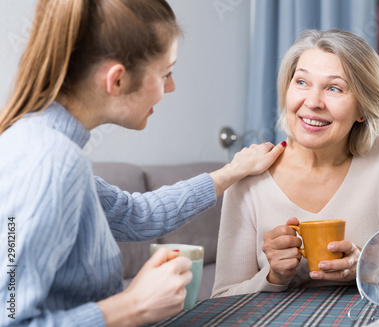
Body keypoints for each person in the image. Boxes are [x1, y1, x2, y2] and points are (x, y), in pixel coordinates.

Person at [0, 1, 285, 326]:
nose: (171, 86)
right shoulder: (49, 162)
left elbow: (137, 216)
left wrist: (231, 171)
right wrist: (132, 305)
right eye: (165, 73)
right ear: (117, 80)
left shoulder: (57, 151)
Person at [211, 29, 379, 298]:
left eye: (334, 88)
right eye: (301, 82)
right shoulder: (249, 177)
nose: (312, 102)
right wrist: (274, 276)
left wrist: (367, 269)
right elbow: (223, 299)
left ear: (363, 108)